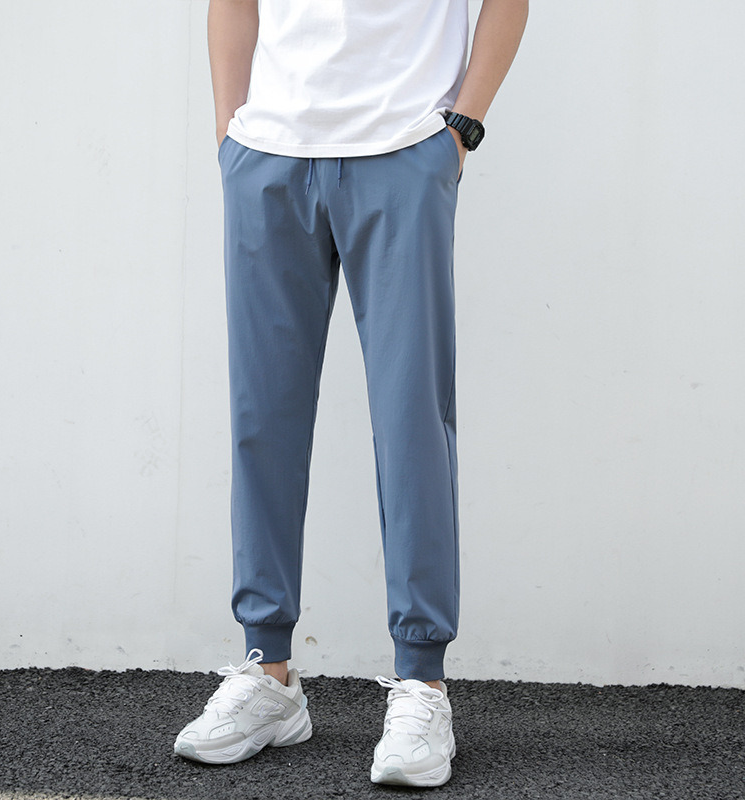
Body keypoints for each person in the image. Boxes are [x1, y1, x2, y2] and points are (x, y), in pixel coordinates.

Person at [174, 0, 528, 787]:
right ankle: (268, 670)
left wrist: (461, 129)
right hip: (268, 152)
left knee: (412, 422)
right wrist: (229, 135)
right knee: (262, 419)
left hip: (404, 148)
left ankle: (422, 681)